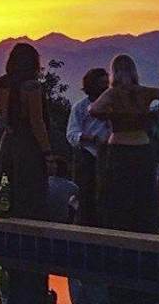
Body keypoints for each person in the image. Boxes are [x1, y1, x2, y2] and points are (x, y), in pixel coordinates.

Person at [88, 54, 159, 304]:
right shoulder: (144, 92)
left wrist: (115, 114)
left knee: (119, 205)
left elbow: (93, 109)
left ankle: (120, 257)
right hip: (143, 150)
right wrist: (146, 114)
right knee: (145, 201)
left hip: (119, 152)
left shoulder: (113, 94)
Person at [0, 43, 55, 304]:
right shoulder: (32, 87)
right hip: (28, 148)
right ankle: (33, 286)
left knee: (7, 198)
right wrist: (48, 153)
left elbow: (3, 118)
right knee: (31, 204)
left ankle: (9, 277)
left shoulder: (3, 83)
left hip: (7, 145)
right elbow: (37, 121)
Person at [66, 68, 111, 226]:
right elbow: (72, 134)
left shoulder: (113, 106)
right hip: (87, 157)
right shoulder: (80, 107)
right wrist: (92, 139)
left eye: (107, 83)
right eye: (101, 84)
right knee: (86, 197)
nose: (105, 87)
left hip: (110, 156)